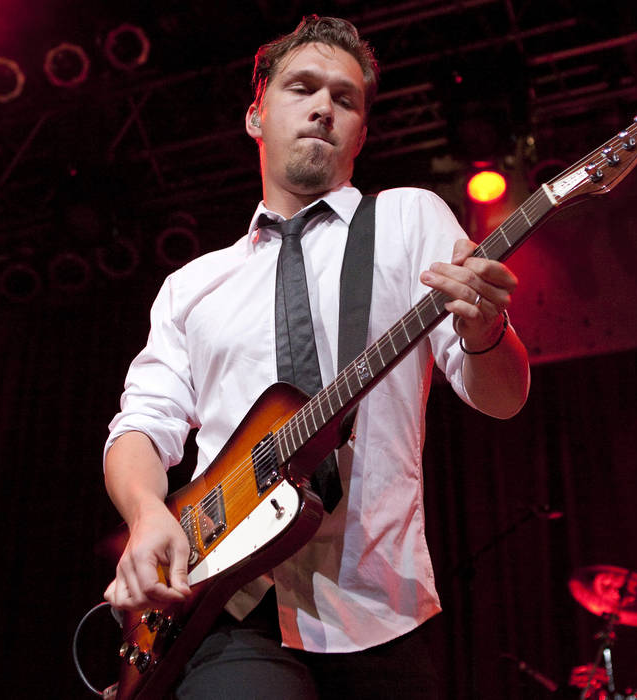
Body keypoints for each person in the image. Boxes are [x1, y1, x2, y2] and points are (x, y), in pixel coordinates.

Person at [101, 15, 530, 699]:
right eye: (303, 87)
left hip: (380, 605)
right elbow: (140, 427)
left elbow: (501, 397)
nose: (324, 106)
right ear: (256, 115)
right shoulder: (192, 285)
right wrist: (148, 514)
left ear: (361, 131)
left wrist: (485, 331)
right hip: (230, 604)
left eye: (346, 98)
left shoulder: (409, 219)